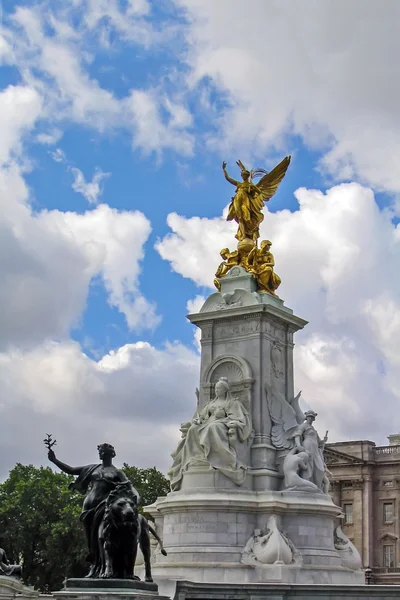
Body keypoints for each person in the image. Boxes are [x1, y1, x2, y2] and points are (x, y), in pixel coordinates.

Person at [48, 443, 139, 577]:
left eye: (103, 451)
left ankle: (107, 567)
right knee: (90, 539)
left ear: (110, 454)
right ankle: (95, 564)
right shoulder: (92, 468)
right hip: (88, 507)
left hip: (104, 506)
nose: (101, 454)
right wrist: (55, 460)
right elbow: (72, 470)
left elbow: (130, 487)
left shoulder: (117, 472)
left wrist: (135, 499)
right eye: (100, 451)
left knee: (102, 535)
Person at [169, 377, 252, 490]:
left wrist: (227, 421)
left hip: (222, 424)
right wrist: (198, 420)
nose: (217, 390)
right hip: (207, 423)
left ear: (225, 390)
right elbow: (202, 416)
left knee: (213, 427)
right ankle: (195, 458)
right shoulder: (211, 403)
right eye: (216, 388)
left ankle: (217, 459)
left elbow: (238, 418)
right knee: (193, 429)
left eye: (219, 388)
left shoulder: (232, 403)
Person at [291, 411, 328, 491]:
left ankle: (316, 485)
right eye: (309, 417)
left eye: (312, 417)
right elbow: (297, 435)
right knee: (309, 466)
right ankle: (307, 484)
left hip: (315, 449)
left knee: (319, 467)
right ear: (306, 417)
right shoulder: (303, 426)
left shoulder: (313, 429)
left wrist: (324, 441)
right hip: (307, 446)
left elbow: (319, 441)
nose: (310, 418)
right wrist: (298, 446)